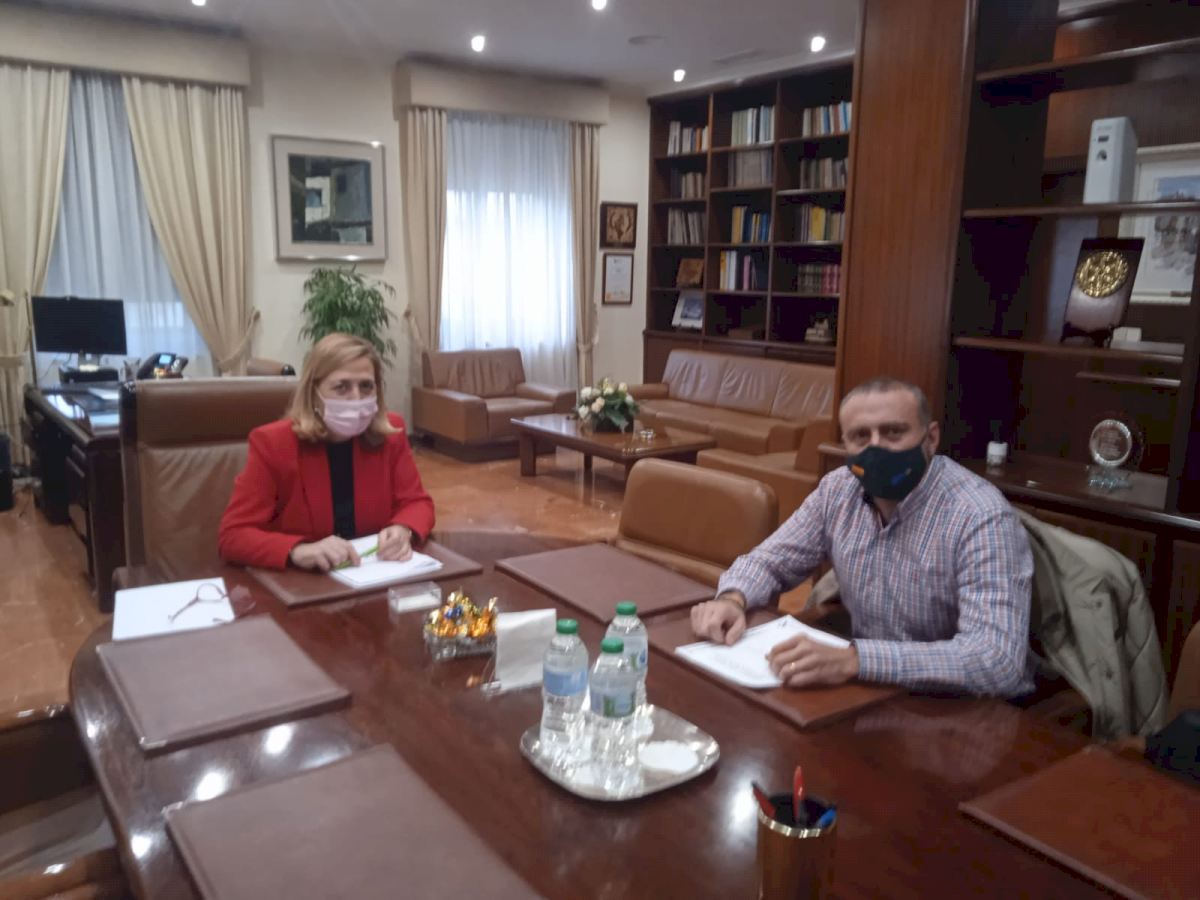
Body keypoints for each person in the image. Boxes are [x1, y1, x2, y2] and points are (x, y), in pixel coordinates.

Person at [690, 376, 1034, 698]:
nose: (876, 448)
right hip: (869, 691)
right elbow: (769, 562)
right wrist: (733, 599)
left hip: (958, 707)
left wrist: (857, 660)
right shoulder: (838, 490)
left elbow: (996, 659)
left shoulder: (980, 515)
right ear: (845, 444)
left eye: (893, 432)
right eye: (860, 436)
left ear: (931, 438)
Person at [219, 333, 435, 572]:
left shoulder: (390, 433)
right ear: (313, 393)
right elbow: (233, 536)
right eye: (341, 387)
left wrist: (404, 528)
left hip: (376, 575)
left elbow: (417, 502)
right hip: (306, 584)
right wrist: (297, 550)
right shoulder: (273, 443)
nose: (356, 398)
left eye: (366, 386)